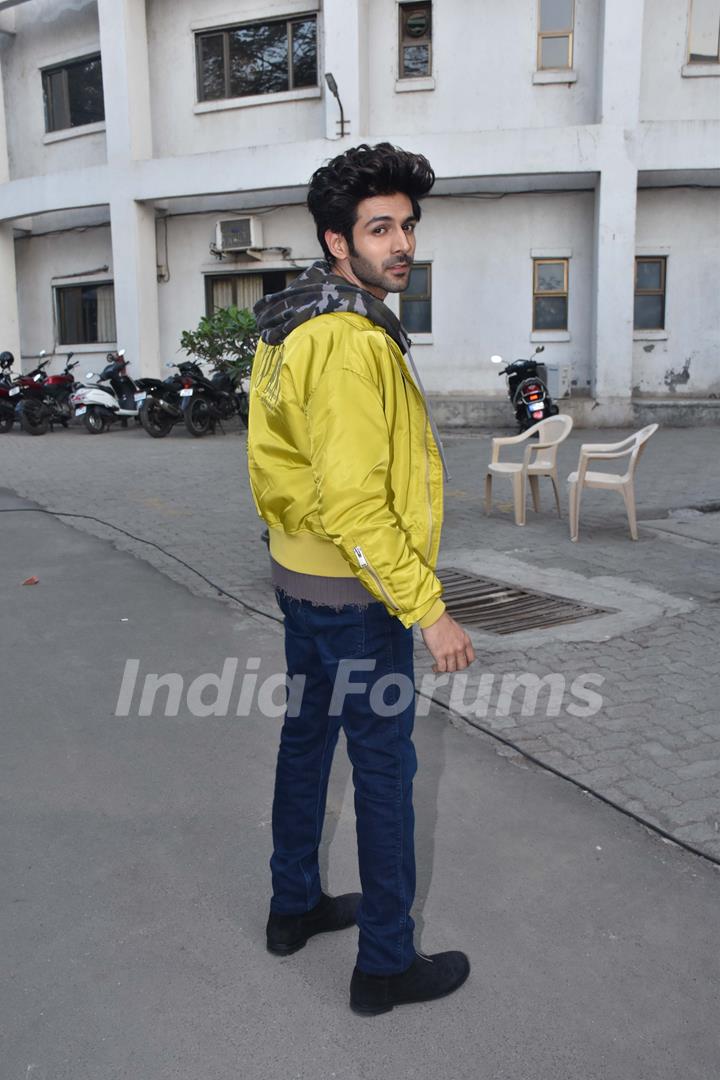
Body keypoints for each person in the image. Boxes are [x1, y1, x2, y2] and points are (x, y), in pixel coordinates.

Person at [247, 142, 475, 1016]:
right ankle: (385, 963)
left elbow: (275, 462)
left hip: (301, 583)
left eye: (407, 225)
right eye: (381, 228)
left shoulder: (291, 316)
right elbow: (354, 501)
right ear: (338, 242)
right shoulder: (346, 341)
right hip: (357, 597)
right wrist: (430, 612)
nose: (402, 242)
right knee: (383, 770)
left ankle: (292, 904)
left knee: (306, 740)